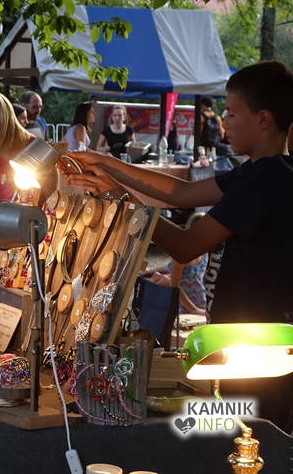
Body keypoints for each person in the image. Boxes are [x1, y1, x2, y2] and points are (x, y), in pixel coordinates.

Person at [64, 60, 293, 431]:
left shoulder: (266, 179)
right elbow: (181, 193)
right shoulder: (260, 170)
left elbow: (186, 247)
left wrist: (124, 200)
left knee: (251, 437)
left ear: (263, 119)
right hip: (245, 340)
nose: (224, 121)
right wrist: (106, 163)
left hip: (258, 348)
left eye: (232, 113)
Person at [140, 212, 208, 315]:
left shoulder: (205, 251)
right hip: (185, 308)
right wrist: (193, 309)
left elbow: (170, 268)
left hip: (201, 302)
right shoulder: (182, 254)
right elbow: (174, 286)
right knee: (161, 279)